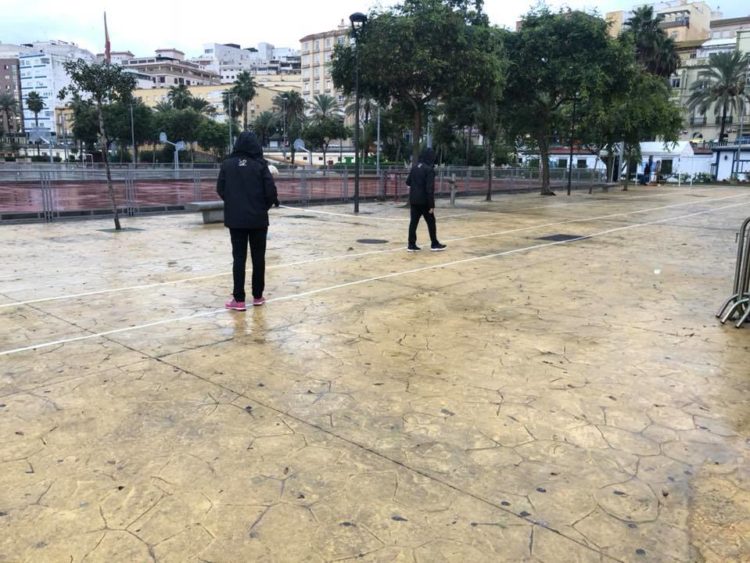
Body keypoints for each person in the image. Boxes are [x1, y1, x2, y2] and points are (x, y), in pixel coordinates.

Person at [217, 131, 279, 310]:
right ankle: (257, 296)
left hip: (236, 220)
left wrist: (234, 203)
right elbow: (271, 192)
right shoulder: (261, 165)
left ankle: (239, 300)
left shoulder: (227, 164)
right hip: (258, 220)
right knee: (258, 258)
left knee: (239, 258)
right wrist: (262, 208)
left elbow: (220, 188)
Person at [406, 147, 446, 252]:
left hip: (413, 200)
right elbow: (429, 189)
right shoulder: (429, 170)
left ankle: (411, 244)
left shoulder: (415, 167)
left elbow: (408, 182)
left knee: (413, 222)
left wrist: (416, 185)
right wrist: (431, 205)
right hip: (424, 201)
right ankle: (434, 243)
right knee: (431, 222)